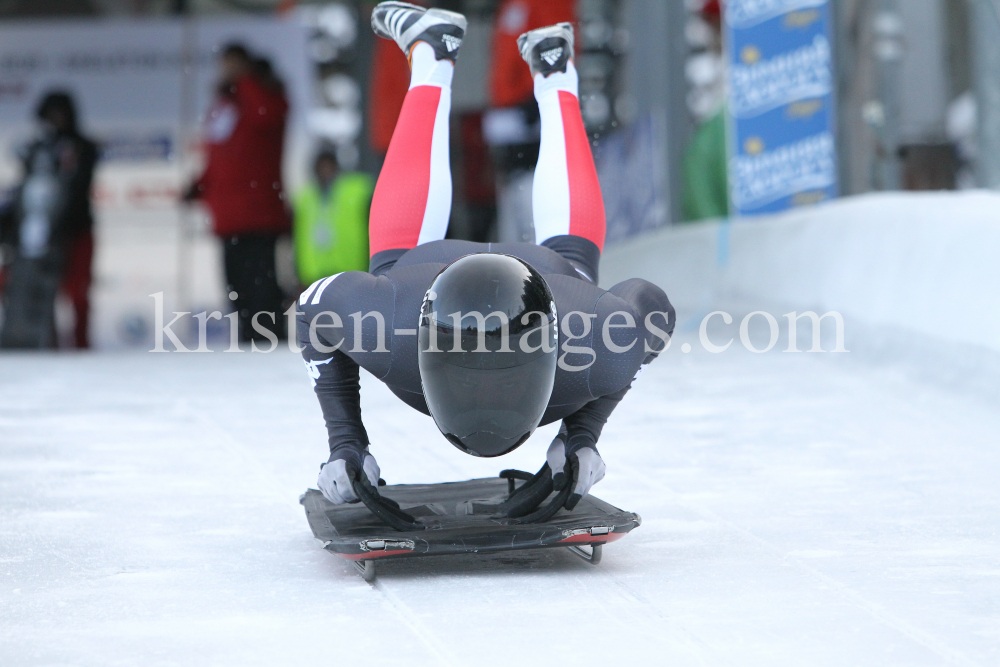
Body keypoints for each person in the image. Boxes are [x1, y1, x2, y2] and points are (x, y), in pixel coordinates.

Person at [297, 2, 674, 511]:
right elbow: (652, 308)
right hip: (504, 282)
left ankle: (446, 60)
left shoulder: (386, 325)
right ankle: (554, 75)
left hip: (428, 271)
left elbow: (314, 309)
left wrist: (346, 443)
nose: (487, 411)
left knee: (393, 261)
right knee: (576, 263)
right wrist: (582, 434)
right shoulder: (600, 343)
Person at [184, 44, 290, 343]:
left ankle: (270, 342)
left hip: (258, 212)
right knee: (238, 289)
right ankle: (249, 342)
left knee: (262, 288)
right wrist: (199, 185)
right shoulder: (224, 104)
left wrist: (246, 81)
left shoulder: (264, 94)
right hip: (228, 215)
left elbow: (267, 116)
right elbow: (218, 155)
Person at [0, 91, 97, 349]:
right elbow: (25, 190)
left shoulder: (82, 148)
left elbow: (78, 189)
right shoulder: (35, 149)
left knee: (77, 290)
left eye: (59, 114)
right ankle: (43, 340)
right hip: (38, 235)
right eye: (49, 115)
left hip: (74, 230)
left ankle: (81, 344)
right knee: (33, 288)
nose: (55, 120)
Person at [292, 149, 373, 287]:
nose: (325, 172)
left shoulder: (357, 190)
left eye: (328, 167)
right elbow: (300, 238)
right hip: (315, 275)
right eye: (321, 168)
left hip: (351, 273)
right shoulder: (306, 198)